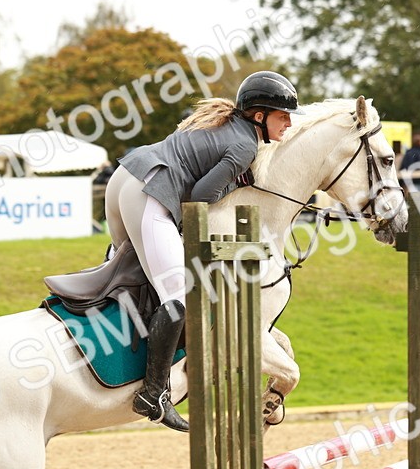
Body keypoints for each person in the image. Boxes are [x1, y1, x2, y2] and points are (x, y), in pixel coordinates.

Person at [106, 70, 303, 432]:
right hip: (149, 190)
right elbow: (199, 197)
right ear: (259, 116)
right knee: (178, 296)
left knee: (134, 267)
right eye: (282, 116)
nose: (288, 123)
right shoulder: (246, 146)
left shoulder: (225, 124)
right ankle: (153, 392)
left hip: (125, 176)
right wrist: (234, 181)